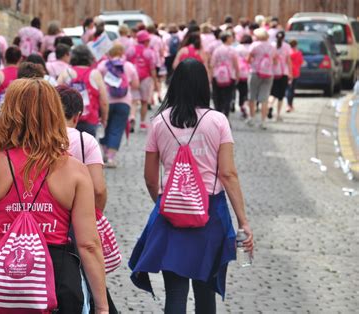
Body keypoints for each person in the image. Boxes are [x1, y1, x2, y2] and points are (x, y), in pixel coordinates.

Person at [0, 78, 110, 314]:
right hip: (58, 279)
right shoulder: (75, 170)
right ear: (55, 115)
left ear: (7, 114)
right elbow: (89, 244)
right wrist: (102, 306)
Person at [129, 59, 253, 313]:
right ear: (203, 86)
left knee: (175, 294)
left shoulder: (159, 123)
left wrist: (169, 204)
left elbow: (150, 178)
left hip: (170, 215)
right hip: (211, 213)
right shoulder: (217, 121)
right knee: (206, 294)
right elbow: (228, 174)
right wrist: (243, 221)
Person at [57, 85, 107, 210]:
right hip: (76, 215)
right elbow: (98, 190)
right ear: (77, 116)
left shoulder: (35, 139)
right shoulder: (86, 141)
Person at [97, 44, 140, 167]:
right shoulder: (128, 66)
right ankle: (111, 158)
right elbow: (136, 84)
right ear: (122, 52)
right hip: (124, 101)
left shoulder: (103, 66)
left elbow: (96, 81)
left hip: (106, 101)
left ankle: (104, 152)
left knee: (105, 126)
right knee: (117, 128)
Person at [57, 45, 109, 137]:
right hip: (90, 118)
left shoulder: (66, 73)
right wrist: (104, 119)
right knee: (87, 148)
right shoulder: (95, 74)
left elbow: (55, 95)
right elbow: (104, 101)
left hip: (67, 118)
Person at [126, 30, 158, 131]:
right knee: (144, 101)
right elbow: (152, 68)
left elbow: (126, 64)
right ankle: (143, 123)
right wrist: (155, 82)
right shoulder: (149, 52)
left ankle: (132, 116)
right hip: (146, 78)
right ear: (145, 41)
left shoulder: (131, 50)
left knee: (133, 101)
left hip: (133, 78)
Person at [246, 28, 277, 129]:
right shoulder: (272, 46)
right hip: (268, 73)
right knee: (265, 98)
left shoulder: (255, 45)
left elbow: (248, 59)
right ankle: (263, 121)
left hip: (255, 72)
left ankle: (252, 118)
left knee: (252, 95)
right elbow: (275, 61)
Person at [210, 31, 239, 118]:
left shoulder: (217, 50)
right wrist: (237, 75)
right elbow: (236, 64)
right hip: (230, 75)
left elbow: (212, 64)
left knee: (217, 96)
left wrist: (211, 76)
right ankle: (225, 116)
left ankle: (217, 113)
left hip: (217, 75)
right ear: (227, 39)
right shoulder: (232, 50)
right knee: (228, 97)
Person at [268, 31, 292, 121]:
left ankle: (270, 106)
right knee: (281, 95)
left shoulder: (271, 45)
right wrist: (291, 73)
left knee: (272, 93)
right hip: (283, 72)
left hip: (272, 73)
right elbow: (288, 60)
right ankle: (277, 115)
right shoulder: (287, 46)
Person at [235, 34, 253, 118]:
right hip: (249, 71)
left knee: (240, 91)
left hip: (239, 71)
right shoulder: (251, 47)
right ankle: (247, 104)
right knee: (248, 90)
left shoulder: (237, 47)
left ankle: (241, 104)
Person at [286, 39, 303, 112]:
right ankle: (290, 105)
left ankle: (288, 105)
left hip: (288, 72)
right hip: (296, 72)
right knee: (292, 89)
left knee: (288, 89)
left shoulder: (288, 53)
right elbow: (301, 62)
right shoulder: (298, 53)